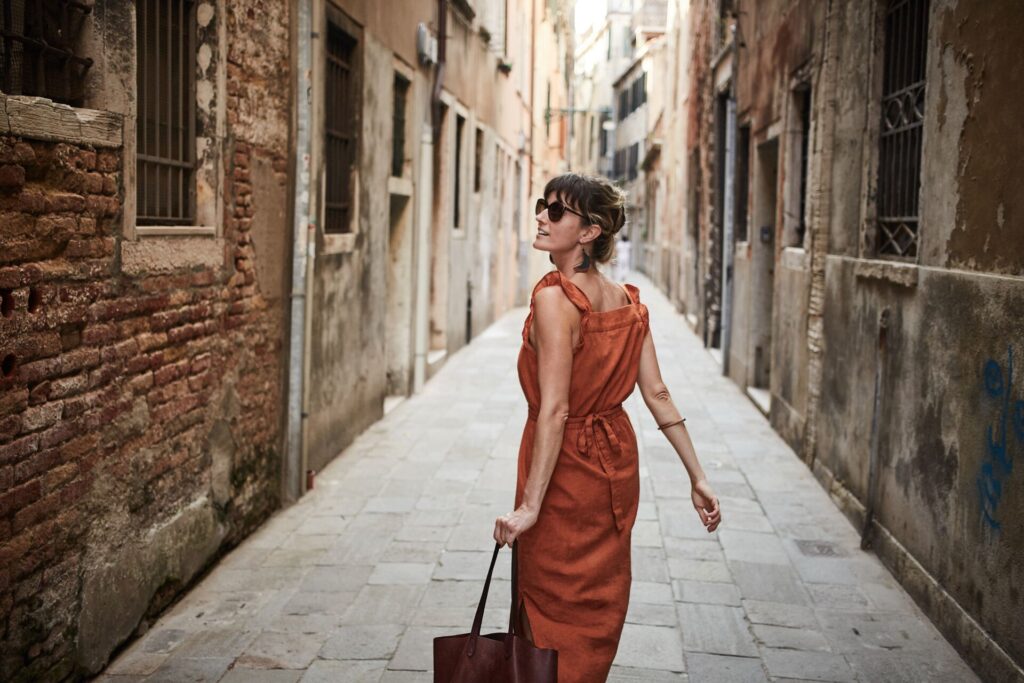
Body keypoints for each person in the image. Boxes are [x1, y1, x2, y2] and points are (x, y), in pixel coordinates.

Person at [493, 172, 721, 682]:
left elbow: (555, 410)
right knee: (595, 607)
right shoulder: (627, 301)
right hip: (614, 465)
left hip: (565, 468)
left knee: (551, 605)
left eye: (556, 212)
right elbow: (657, 394)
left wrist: (530, 505)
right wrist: (697, 476)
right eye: (541, 206)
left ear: (590, 232)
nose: (541, 217)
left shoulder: (557, 298)